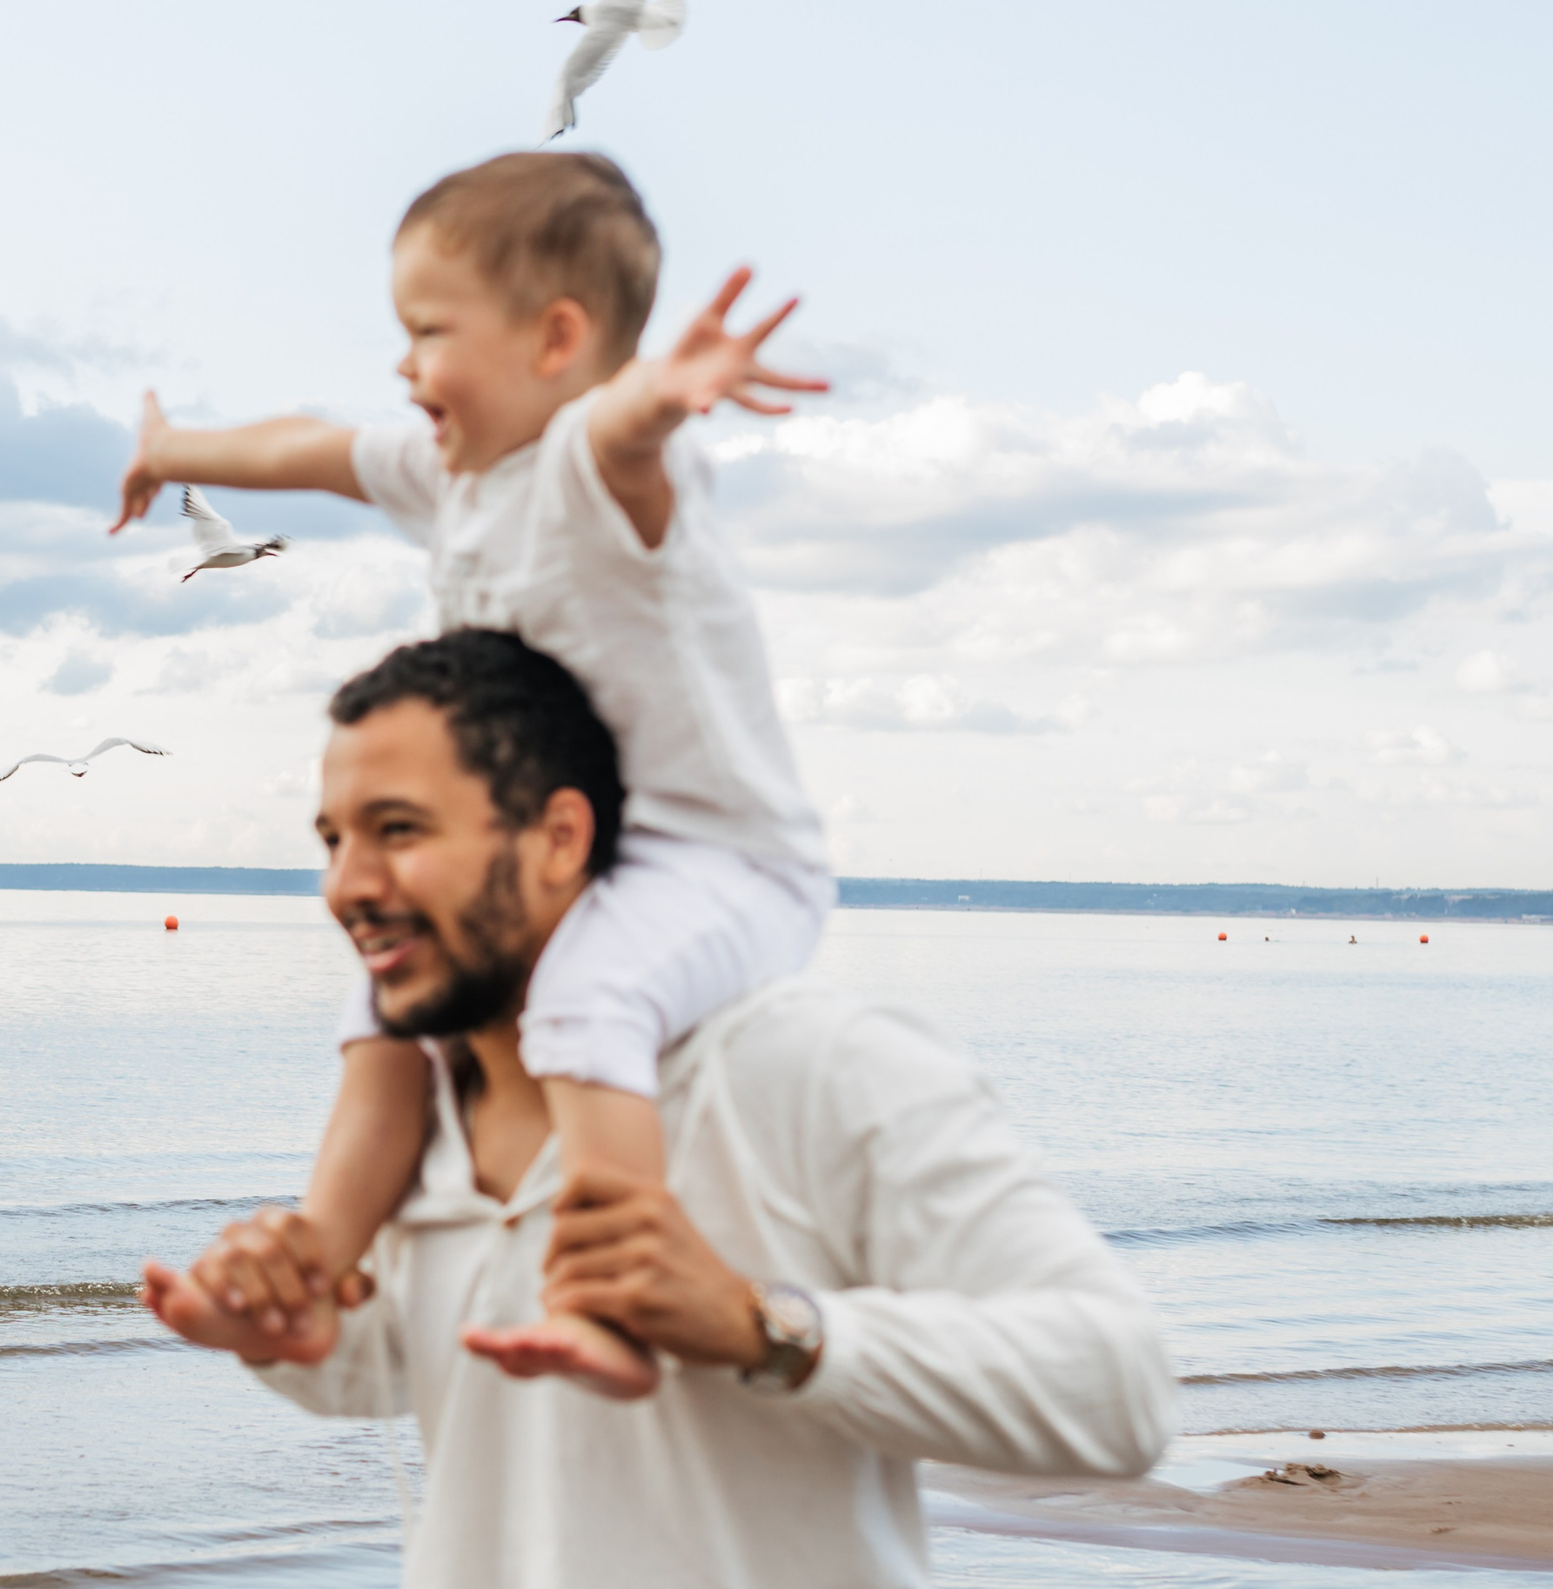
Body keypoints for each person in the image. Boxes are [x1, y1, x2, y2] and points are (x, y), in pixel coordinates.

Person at [142, 632, 1176, 1588]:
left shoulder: (809, 1067)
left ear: (559, 837)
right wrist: (290, 1330)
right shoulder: (414, 1115)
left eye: (398, 830)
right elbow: (425, 1377)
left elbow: (1118, 1389)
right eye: (333, 839)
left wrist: (760, 1329)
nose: (346, 886)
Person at [113, 151, 831, 1395]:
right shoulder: (450, 474)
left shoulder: (591, 467)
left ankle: (608, 1301)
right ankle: (318, 1264)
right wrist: (174, 448)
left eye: (429, 332)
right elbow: (309, 447)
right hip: (563, 858)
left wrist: (666, 389)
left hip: (715, 859)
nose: (404, 365)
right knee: (386, 1013)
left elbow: (618, 430)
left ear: (556, 337)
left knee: (587, 999)